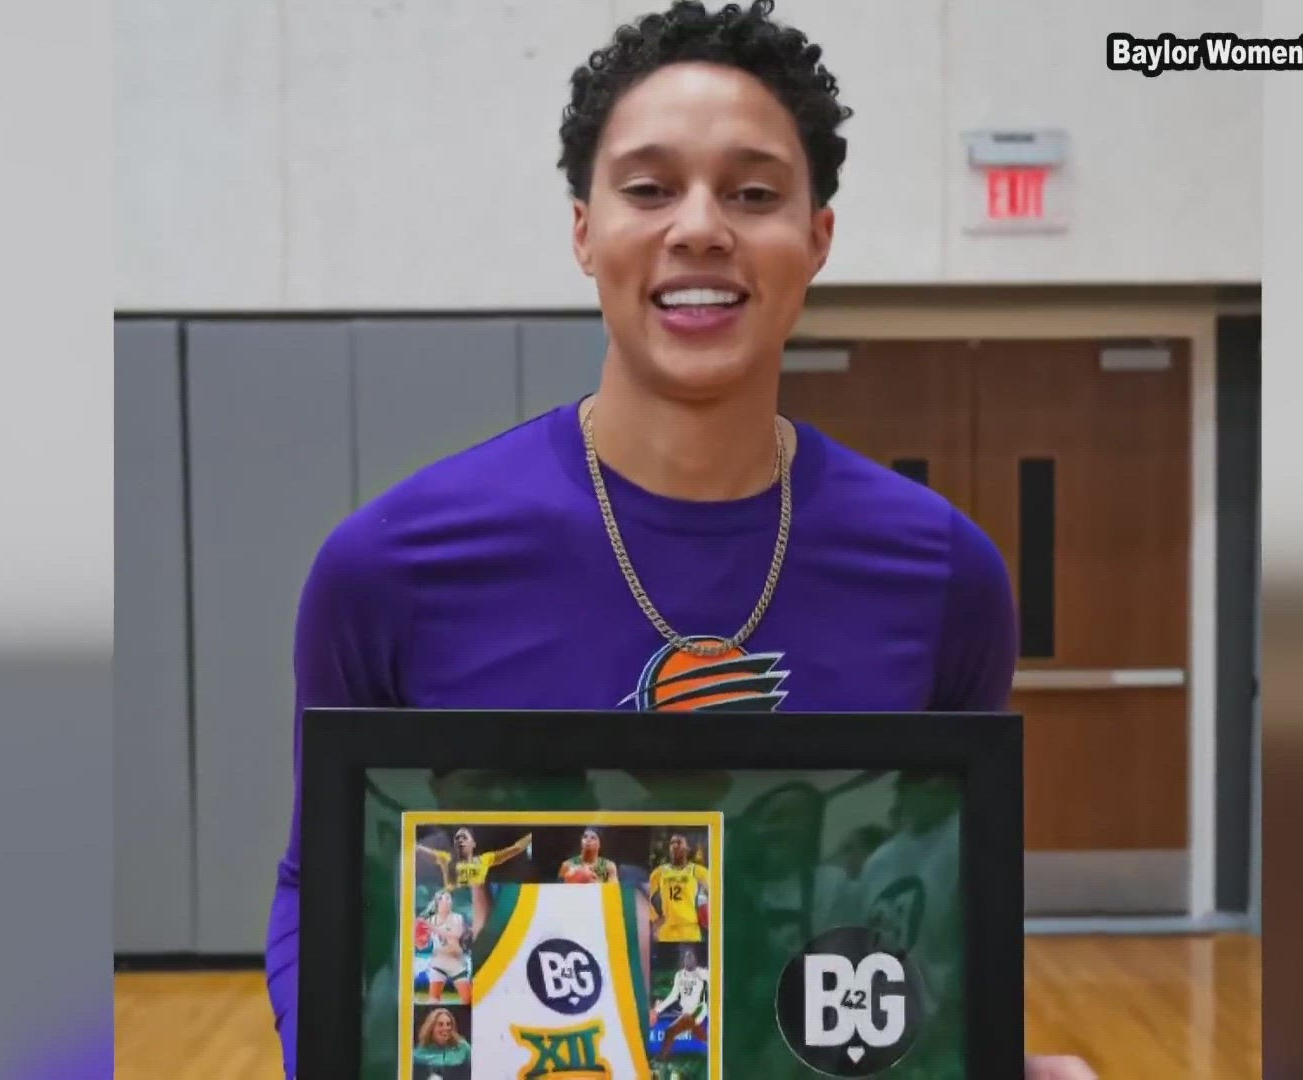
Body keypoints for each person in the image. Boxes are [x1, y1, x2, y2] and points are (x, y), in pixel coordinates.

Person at [265, 3, 1096, 1077]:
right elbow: (316, 885)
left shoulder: (945, 576)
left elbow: (934, 905)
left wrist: (989, 1061)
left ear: (819, 238)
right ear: (583, 230)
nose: (700, 227)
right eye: (650, 188)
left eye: (754, 193)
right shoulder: (392, 567)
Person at [650, 945, 710, 1060]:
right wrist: (657, 1010)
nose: (689, 959)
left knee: (671, 1031)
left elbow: (716, 979)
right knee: (696, 1033)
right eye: (686, 957)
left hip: (698, 1010)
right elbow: (673, 995)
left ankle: (662, 1057)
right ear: (683, 961)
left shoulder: (701, 973)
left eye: (691, 957)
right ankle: (713, 1044)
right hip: (685, 1011)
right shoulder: (679, 975)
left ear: (695, 960)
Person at [649, 833, 710, 944]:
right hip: (666, 932)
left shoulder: (700, 872)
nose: (675, 845)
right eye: (672, 843)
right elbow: (647, 900)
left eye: (679, 842)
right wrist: (655, 919)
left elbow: (717, 896)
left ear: (688, 848)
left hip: (690, 932)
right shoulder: (658, 873)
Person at [420, 891, 471, 1005]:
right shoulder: (430, 920)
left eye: (450, 899)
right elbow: (423, 944)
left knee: (468, 1000)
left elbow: (456, 935)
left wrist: (433, 928)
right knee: (433, 1000)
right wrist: (420, 940)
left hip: (456, 963)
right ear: (438, 902)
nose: (450, 901)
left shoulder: (457, 918)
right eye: (447, 898)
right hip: (438, 963)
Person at [411, 1007, 472, 1079]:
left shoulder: (463, 1047)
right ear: (431, 1028)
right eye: (440, 1024)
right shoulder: (419, 1052)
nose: (445, 1028)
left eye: (448, 1024)